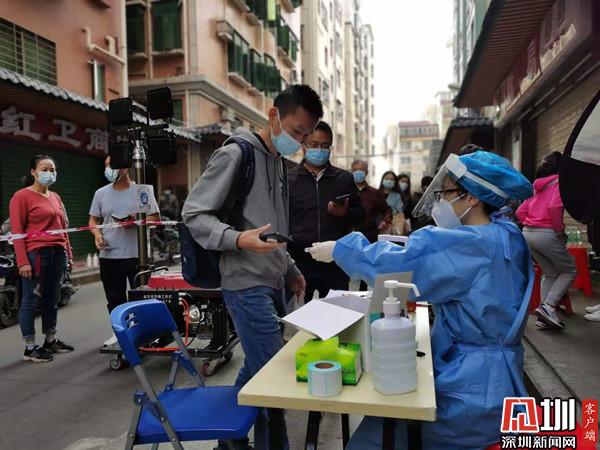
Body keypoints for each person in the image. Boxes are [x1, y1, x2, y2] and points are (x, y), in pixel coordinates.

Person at [308, 150, 534, 450]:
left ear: (471, 198)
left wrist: (341, 250)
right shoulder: (505, 233)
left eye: (447, 193)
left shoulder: (472, 243)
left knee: (378, 433)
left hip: (471, 396)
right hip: (494, 380)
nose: (441, 202)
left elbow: (404, 264)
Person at [182, 84, 323, 450]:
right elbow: (193, 213)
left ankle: (229, 441)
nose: (300, 142)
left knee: (258, 368)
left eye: (306, 137)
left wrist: (290, 269)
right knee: (274, 377)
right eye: (296, 132)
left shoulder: (279, 163)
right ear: (273, 115)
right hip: (245, 284)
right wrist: (237, 239)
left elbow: (274, 231)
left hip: (273, 282)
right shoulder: (236, 154)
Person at [288, 121, 364, 301]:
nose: (319, 150)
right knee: (301, 313)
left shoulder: (344, 179)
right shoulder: (290, 179)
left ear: (330, 148)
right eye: (314, 145)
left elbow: (360, 215)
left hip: (334, 261)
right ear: (304, 146)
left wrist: (344, 214)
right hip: (300, 261)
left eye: (324, 145)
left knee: (336, 311)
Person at [9, 155, 75, 363]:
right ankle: (30, 347)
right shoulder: (21, 197)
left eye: (52, 170)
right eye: (44, 169)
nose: (49, 173)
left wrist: (69, 254)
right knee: (31, 299)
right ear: (33, 172)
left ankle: (50, 339)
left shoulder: (55, 197)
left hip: (58, 253)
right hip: (36, 254)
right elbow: (17, 232)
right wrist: (23, 261)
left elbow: (63, 228)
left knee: (52, 298)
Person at [89, 156, 160, 314]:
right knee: (115, 301)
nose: (109, 170)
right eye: (106, 166)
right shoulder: (100, 193)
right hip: (109, 256)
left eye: (112, 165)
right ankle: (121, 328)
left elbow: (155, 218)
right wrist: (97, 235)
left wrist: (136, 221)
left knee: (142, 301)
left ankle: (142, 329)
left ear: (126, 167)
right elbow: (93, 220)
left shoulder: (142, 191)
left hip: (138, 256)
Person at [516, 151, 576, 329]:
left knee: (550, 273)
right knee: (569, 270)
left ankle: (544, 317)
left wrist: (531, 222)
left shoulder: (537, 186)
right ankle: (548, 306)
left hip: (527, 233)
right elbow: (555, 207)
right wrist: (559, 231)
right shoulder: (559, 183)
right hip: (546, 233)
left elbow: (520, 211)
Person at [351, 160, 393, 243]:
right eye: (355, 170)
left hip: (370, 234)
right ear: (351, 172)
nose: (358, 172)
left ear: (366, 172)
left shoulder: (375, 193)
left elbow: (387, 210)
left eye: (361, 169)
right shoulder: (346, 191)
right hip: (350, 234)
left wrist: (385, 221)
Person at [378, 171, 405, 235]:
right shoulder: (376, 194)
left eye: (391, 179)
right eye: (386, 179)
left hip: (392, 225)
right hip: (377, 224)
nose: (389, 181)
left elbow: (400, 212)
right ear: (382, 180)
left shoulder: (397, 196)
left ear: (395, 182)